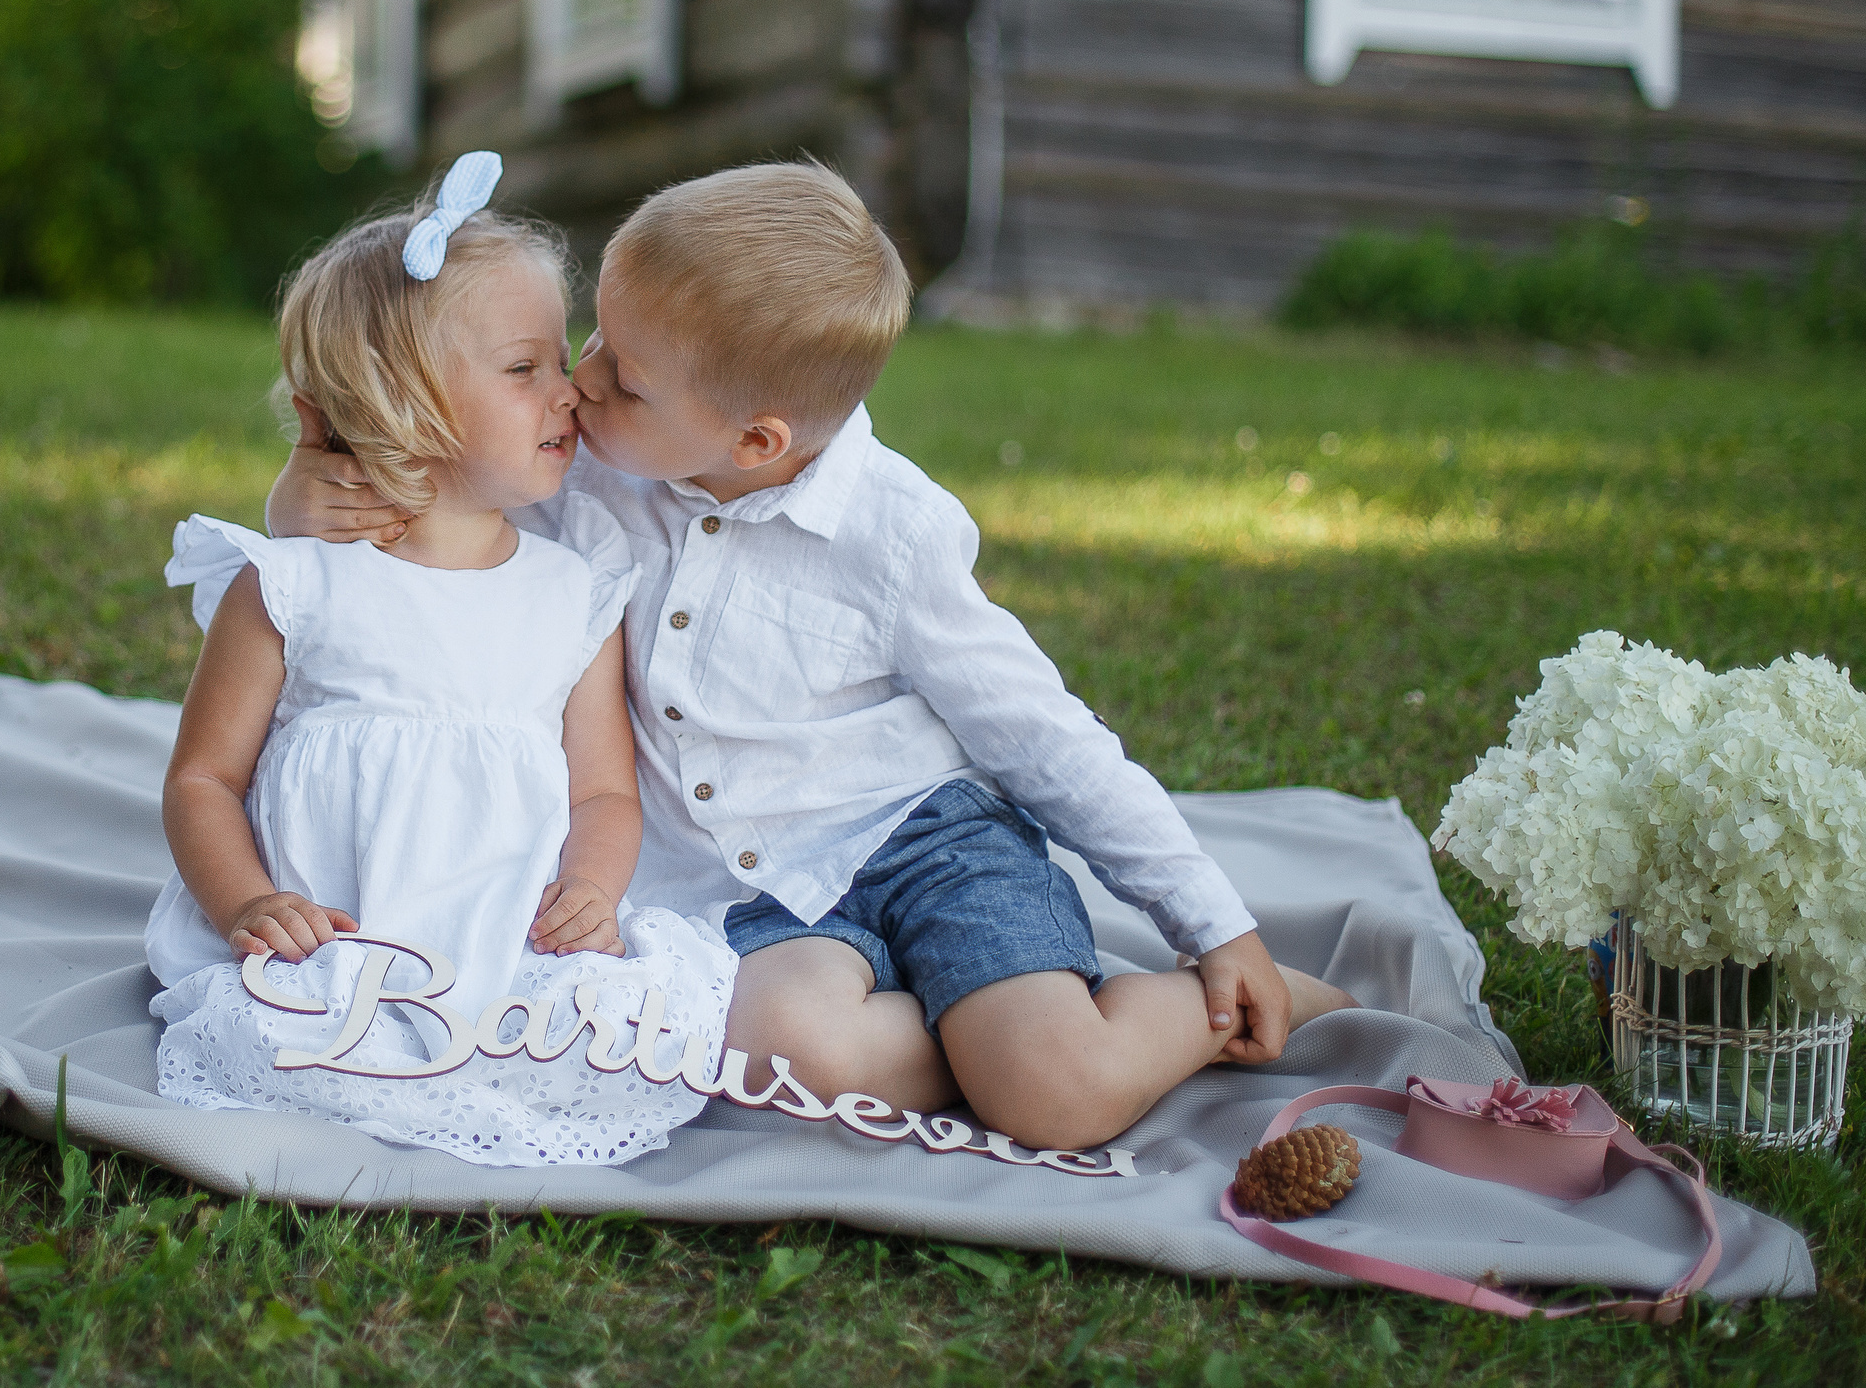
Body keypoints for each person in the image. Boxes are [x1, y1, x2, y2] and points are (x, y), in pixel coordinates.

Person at [269, 160, 1355, 1152]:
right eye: (591, 340)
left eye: (624, 376)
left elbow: (1046, 740)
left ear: (757, 442)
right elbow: (428, 558)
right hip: (744, 888)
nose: (581, 383)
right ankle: (990, 1022)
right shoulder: (580, 477)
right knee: (775, 1055)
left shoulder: (894, 534)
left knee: (1055, 1100)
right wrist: (300, 501)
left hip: (928, 843)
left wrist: (1213, 922)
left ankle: (1215, 1003)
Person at [144, 154, 737, 1168]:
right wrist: (244, 901)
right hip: (335, 943)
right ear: (402, 403)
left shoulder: (569, 592)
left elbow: (602, 792)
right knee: (290, 1040)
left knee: (605, 1035)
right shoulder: (297, 584)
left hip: (507, 941)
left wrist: (592, 888)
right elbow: (204, 776)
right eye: (525, 370)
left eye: (561, 360)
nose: (571, 393)